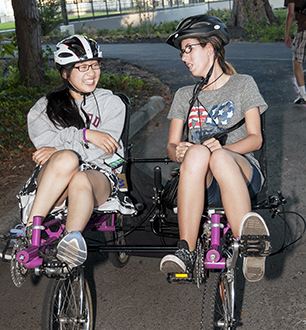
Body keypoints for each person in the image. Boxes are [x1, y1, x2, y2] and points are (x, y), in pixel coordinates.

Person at [0, 35, 135, 266]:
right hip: (56, 179)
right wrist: (85, 134)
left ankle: (71, 241)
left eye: (94, 65)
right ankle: (29, 232)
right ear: (65, 73)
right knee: (65, 159)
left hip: (98, 176)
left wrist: (62, 143)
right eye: (82, 67)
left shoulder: (112, 103)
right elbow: (44, 146)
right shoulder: (45, 107)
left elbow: (105, 150)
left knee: (77, 173)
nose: (91, 73)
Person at [159, 15, 271, 282]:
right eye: (182, 52)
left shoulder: (243, 84)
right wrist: (180, 152)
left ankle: (249, 243)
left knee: (218, 156)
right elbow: (171, 147)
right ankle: (185, 249)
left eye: (189, 49)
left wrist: (222, 148)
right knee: (198, 152)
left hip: (241, 172)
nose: (184, 57)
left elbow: (256, 139)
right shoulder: (185, 95)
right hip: (201, 179)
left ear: (209, 48)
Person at [285, 0, 306, 104]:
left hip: (304, 29)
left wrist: (287, 34)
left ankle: (303, 94)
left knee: (297, 61)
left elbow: (291, 13)